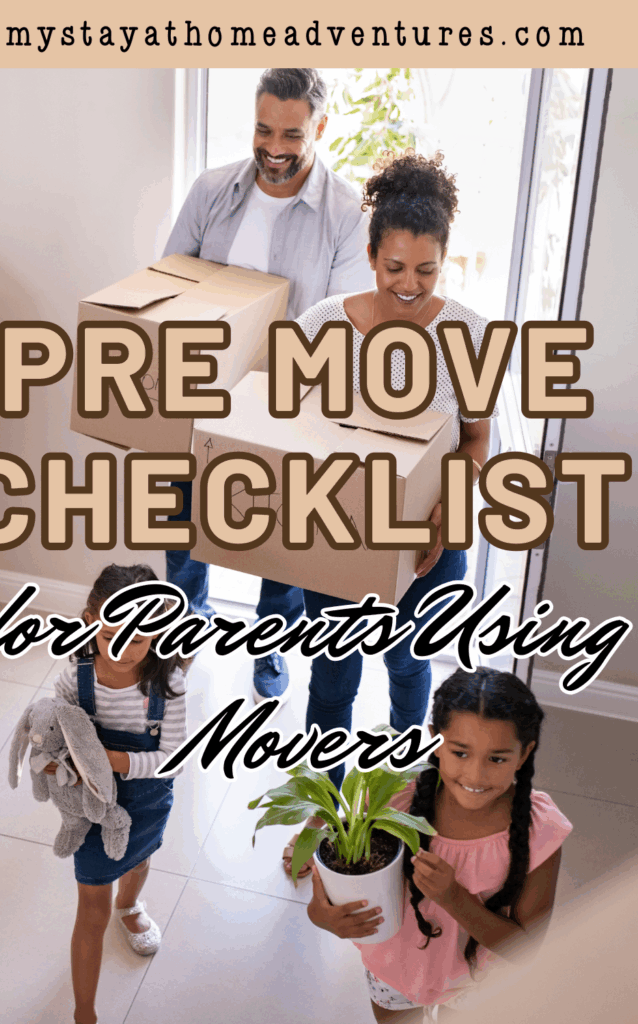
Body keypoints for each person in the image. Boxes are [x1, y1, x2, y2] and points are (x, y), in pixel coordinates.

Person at [283, 149, 493, 879]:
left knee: (410, 673)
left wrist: (438, 521)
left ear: (443, 264)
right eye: (394, 267)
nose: (408, 285)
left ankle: (405, 806)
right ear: (370, 255)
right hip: (337, 547)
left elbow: (473, 439)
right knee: (331, 681)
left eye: (425, 271)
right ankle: (325, 810)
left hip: (431, 548)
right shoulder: (320, 325)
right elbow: (287, 437)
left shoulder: (465, 333)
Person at [163, 67, 373, 704]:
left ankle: (270, 644)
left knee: (279, 536)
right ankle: (182, 631)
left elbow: (341, 321)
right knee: (183, 514)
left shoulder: (345, 212)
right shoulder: (211, 191)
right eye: (262, 129)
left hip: (288, 397)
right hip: (202, 386)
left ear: (321, 127)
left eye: (291, 133)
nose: (273, 147)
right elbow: (168, 280)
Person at [308, 667, 573, 1021]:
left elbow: (525, 948)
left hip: (476, 984)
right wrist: (324, 917)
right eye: (460, 753)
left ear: (523, 755)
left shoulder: (540, 832)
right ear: (435, 741)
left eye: (497, 759)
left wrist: (455, 899)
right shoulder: (393, 797)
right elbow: (329, 894)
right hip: (392, 971)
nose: (475, 775)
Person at [44, 564, 190, 1024]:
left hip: (147, 800)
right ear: (90, 622)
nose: (125, 652)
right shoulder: (75, 680)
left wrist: (116, 761)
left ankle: (129, 904)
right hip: (91, 807)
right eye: (112, 637)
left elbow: (174, 759)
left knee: (140, 860)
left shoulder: (167, 687)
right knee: (91, 909)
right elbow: (55, 734)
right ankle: (83, 1011)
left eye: (141, 640)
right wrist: (53, 759)